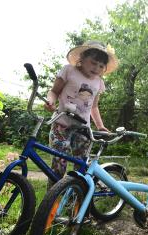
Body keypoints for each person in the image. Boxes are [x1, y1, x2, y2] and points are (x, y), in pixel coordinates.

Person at [44, 40, 118, 187]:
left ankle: (76, 199)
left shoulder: (98, 83)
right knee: (60, 160)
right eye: (93, 62)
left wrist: (100, 125)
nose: (96, 68)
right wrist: (50, 102)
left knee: (81, 166)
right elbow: (53, 91)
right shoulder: (68, 71)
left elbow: (94, 107)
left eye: (101, 66)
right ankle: (52, 200)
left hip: (83, 128)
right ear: (82, 58)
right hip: (61, 124)